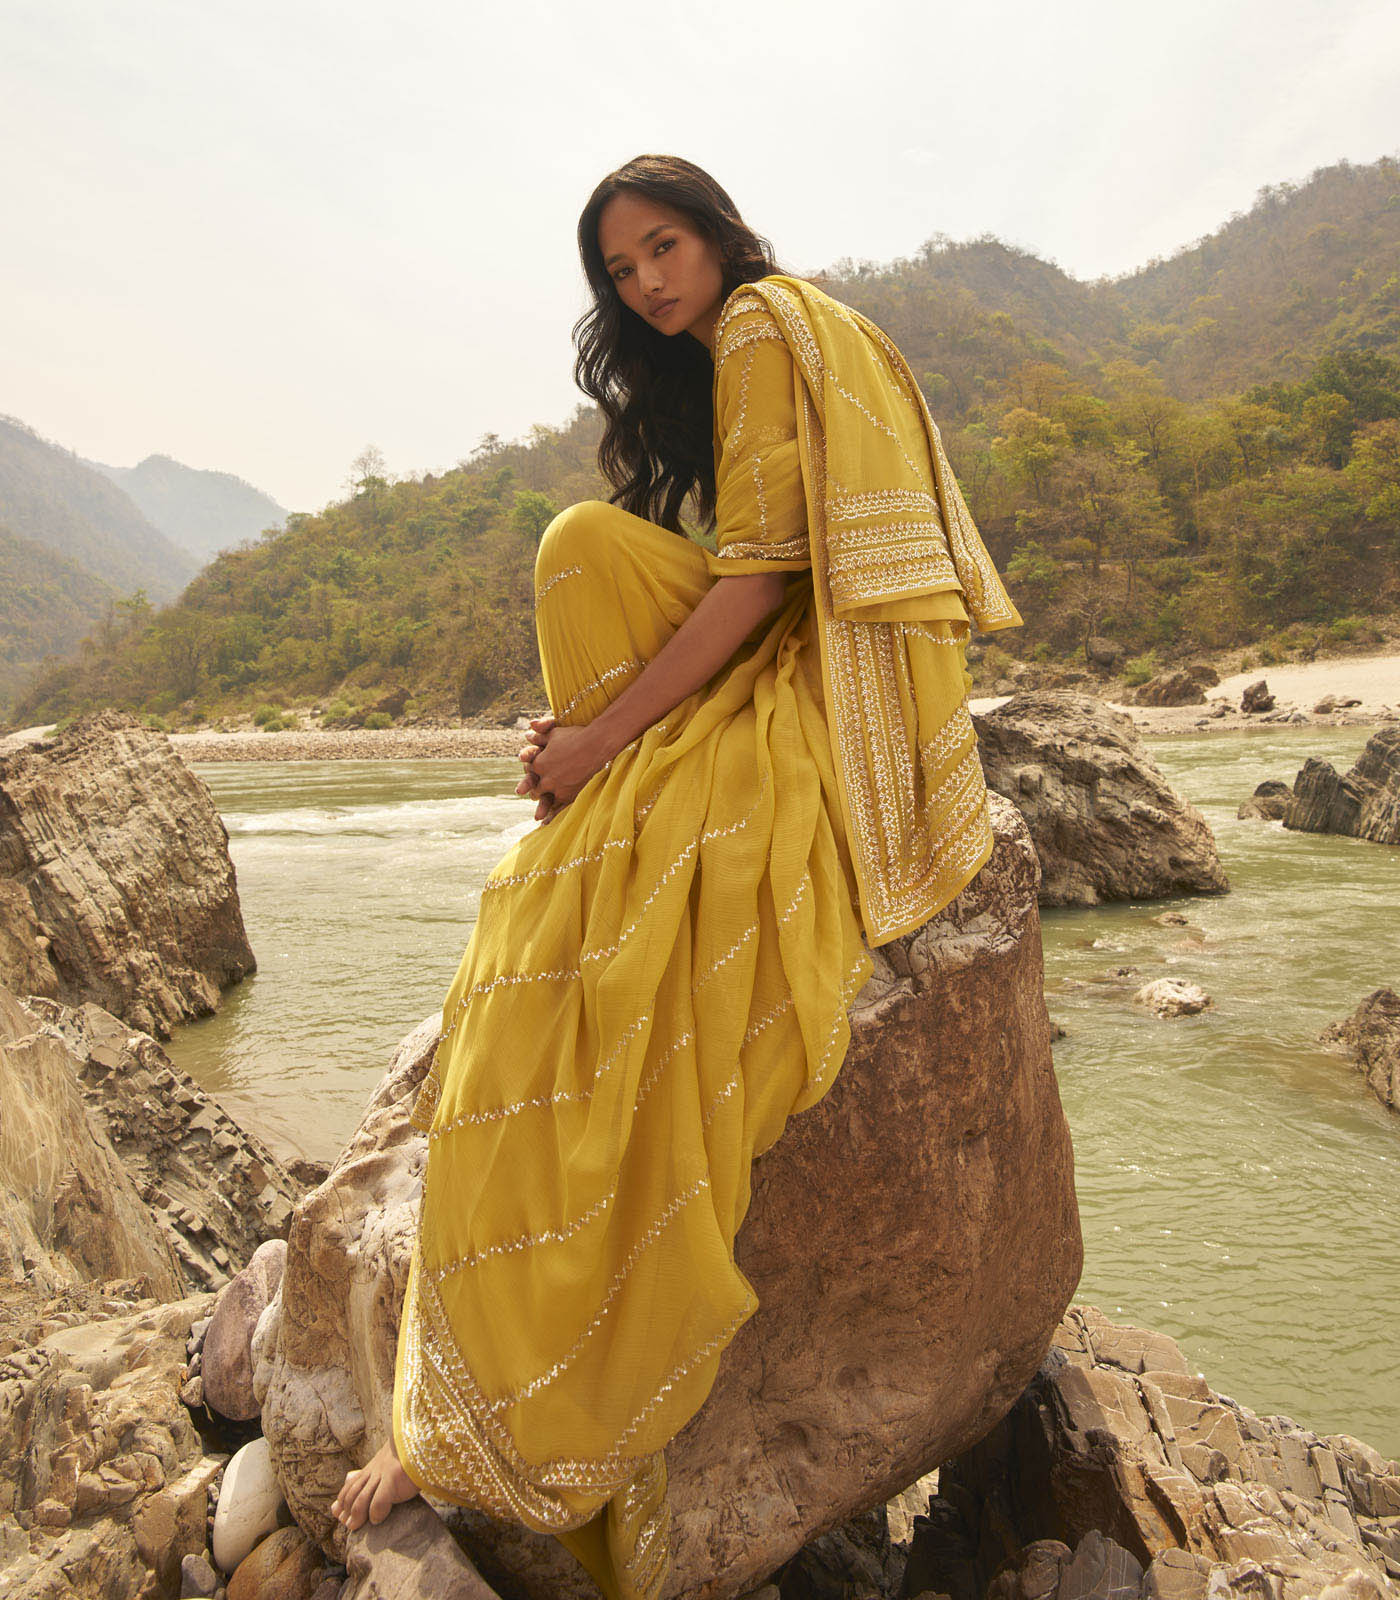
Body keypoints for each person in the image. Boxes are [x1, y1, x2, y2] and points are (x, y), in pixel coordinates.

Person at [330, 154, 1023, 1599]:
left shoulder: (768, 325)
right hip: (803, 663)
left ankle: (510, 1409)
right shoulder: (753, 342)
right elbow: (744, 575)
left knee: (580, 578)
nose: (646, 280)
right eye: (620, 268)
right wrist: (600, 745)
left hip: (813, 686)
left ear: (715, 235)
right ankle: (611, 784)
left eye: (662, 246)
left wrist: (595, 742)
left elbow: (763, 587)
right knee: (588, 544)